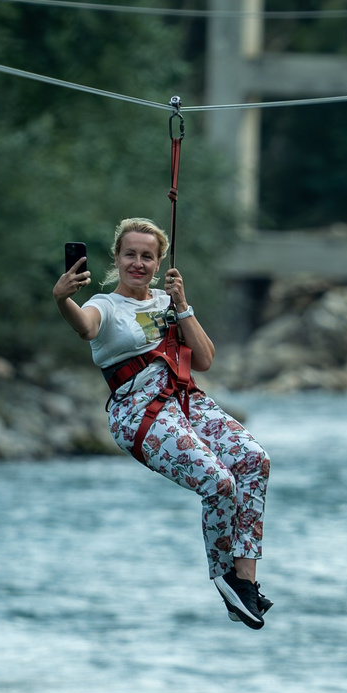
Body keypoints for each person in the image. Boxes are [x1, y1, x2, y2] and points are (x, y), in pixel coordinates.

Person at [55, 218, 273, 628]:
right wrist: (62, 299)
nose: (138, 263)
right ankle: (224, 576)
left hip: (185, 401)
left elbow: (205, 360)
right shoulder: (104, 306)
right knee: (219, 482)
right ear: (117, 259)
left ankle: (246, 580)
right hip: (139, 413)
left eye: (147, 256)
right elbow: (85, 328)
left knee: (253, 460)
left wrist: (183, 305)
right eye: (130, 255)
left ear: (159, 263)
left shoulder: (168, 300)